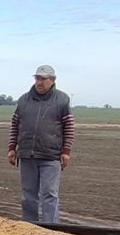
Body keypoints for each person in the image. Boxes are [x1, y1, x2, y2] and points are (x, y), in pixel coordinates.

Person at [6, 64, 75, 223]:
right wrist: (11, 148)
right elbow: (15, 124)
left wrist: (66, 151)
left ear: (52, 80)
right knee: (28, 195)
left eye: (43, 79)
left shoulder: (62, 100)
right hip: (26, 154)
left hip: (51, 155)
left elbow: (69, 127)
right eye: (37, 78)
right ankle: (29, 227)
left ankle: (51, 230)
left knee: (50, 195)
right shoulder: (24, 100)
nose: (39, 82)